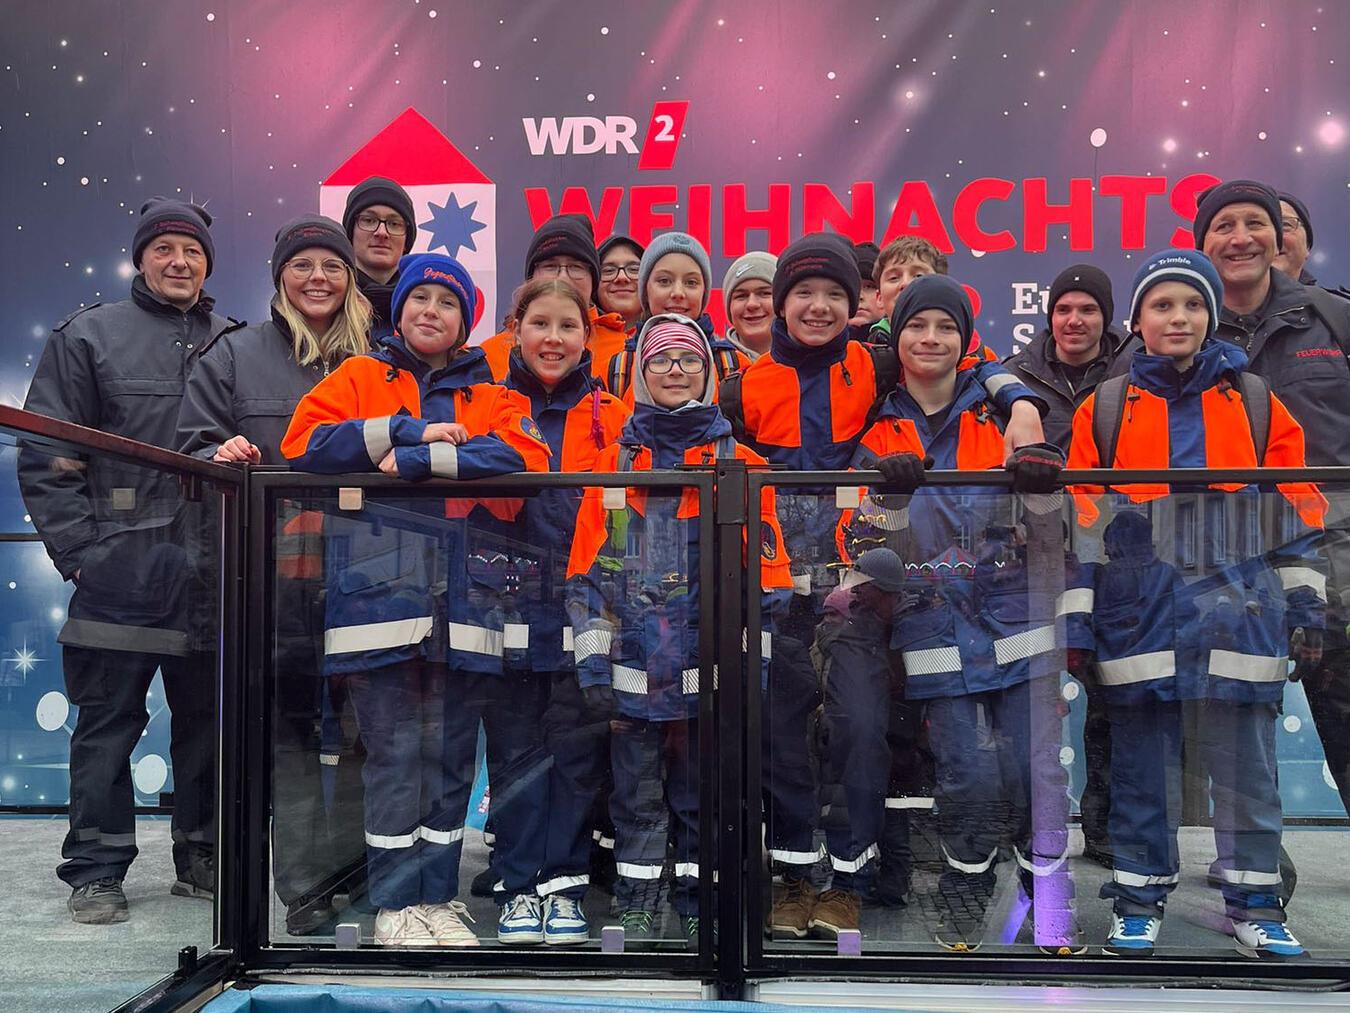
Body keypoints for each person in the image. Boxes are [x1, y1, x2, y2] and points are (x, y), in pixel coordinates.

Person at [722, 234, 1049, 941]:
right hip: (774, 593)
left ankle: (849, 879)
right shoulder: (741, 385)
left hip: (857, 591)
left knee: (860, 732)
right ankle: (792, 876)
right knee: (781, 739)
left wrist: (1019, 401)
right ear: (780, 303)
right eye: (803, 293)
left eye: (834, 295)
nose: (817, 306)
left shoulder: (871, 367)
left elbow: (972, 362)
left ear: (854, 305)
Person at [282, 252, 552, 947]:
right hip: (376, 606)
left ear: (466, 322)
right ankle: (394, 903)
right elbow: (303, 444)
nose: (430, 310)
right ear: (396, 309)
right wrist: (404, 430)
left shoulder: (491, 390)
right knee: (397, 755)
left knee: (452, 756)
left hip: (468, 611)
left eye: (447, 302)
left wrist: (408, 462)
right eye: (419, 298)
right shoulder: (359, 376)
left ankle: (437, 895)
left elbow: (526, 458)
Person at [1065, 247, 1327, 959]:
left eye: (1190, 304)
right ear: (1138, 321)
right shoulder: (1106, 407)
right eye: (1161, 304)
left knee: (1247, 770)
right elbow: (1082, 522)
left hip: (1240, 612)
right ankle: (1138, 899)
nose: (1176, 317)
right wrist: (1079, 619)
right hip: (1139, 618)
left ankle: (1255, 905)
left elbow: (1295, 508)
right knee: (1140, 771)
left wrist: (1306, 609)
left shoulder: (1255, 400)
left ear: (1211, 317)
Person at [836, 274, 1070, 951]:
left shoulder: (1003, 413)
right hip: (933, 623)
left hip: (1014, 617)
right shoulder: (878, 428)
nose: (931, 338)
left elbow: (1055, 525)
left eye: (945, 327)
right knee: (966, 768)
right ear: (898, 336)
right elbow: (853, 541)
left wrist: (1040, 480)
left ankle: (1047, 892)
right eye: (917, 326)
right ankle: (966, 886)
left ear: (965, 340)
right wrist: (890, 501)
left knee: (1038, 766)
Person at [19, 197, 236, 924]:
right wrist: (81, 553)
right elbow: (49, 453)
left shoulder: (233, 341)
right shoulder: (88, 336)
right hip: (118, 575)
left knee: (207, 720)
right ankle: (97, 868)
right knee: (107, 723)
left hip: (212, 573)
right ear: (140, 257)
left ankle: (201, 853)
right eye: (165, 248)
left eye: (193, 251)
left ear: (208, 262)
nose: (180, 262)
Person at [566, 313, 793, 947]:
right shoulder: (611, 466)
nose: (674, 370)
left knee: (703, 797)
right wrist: (593, 668)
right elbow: (586, 579)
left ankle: (701, 902)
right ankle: (639, 904)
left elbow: (767, 587)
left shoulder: (743, 465)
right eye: (660, 359)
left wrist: (752, 671)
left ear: (711, 372)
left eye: (688, 360)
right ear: (640, 372)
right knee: (636, 799)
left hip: (711, 674)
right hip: (633, 675)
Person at [176, 214, 371, 934]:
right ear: (279, 277)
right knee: (290, 738)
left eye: (331, 266)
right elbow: (190, 451)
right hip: (273, 585)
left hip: (366, 580)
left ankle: (359, 869)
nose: (317, 278)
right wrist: (216, 453)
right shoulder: (233, 356)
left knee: (360, 731)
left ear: (350, 278)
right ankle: (305, 885)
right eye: (302, 265)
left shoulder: (379, 359)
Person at [1195, 180, 1350, 818]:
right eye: (1223, 226)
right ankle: (1258, 876)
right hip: (1226, 559)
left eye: (1255, 223)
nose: (1241, 238)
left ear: (1281, 235)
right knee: (1237, 719)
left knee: (1343, 703)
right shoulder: (1180, 322)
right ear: (1202, 244)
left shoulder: (1334, 318)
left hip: (1336, 549)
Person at [499, 278, 631, 945]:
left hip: (586, 609)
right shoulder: (490, 403)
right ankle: (519, 884)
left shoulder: (614, 411)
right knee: (518, 753)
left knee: (577, 753)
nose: (554, 339)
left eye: (569, 326)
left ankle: (566, 882)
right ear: (516, 327)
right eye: (540, 323)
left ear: (588, 335)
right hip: (507, 603)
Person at [1002, 265, 1137, 451]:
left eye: (1088, 310)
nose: (1074, 321)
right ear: (1051, 317)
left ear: (1105, 318)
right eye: (1063, 310)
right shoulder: (1015, 376)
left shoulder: (1136, 369)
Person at [480, 214, 629, 383]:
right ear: (531, 278)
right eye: (550, 266)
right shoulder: (488, 356)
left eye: (576, 267)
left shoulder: (625, 354)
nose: (563, 278)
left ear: (593, 279)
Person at [605, 232, 750, 400]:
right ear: (645, 290)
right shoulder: (617, 370)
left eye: (691, 282)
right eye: (664, 281)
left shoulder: (734, 366)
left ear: (704, 292)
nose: (678, 293)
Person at [341, 176, 418, 341]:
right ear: (350, 233)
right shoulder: (326, 303)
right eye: (369, 220)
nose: (382, 232)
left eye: (394, 223)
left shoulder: (424, 309)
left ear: (406, 239)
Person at [722, 251, 777, 360]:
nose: (752, 304)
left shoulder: (809, 364)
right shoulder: (708, 366)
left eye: (764, 293)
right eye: (741, 296)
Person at [596, 234, 645, 332]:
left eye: (634, 269)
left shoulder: (672, 337)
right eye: (609, 270)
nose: (621, 277)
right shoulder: (576, 337)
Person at [848, 241, 884, 341]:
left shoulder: (903, 348)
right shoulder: (816, 348)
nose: (860, 296)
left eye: (869, 286)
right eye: (853, 285)